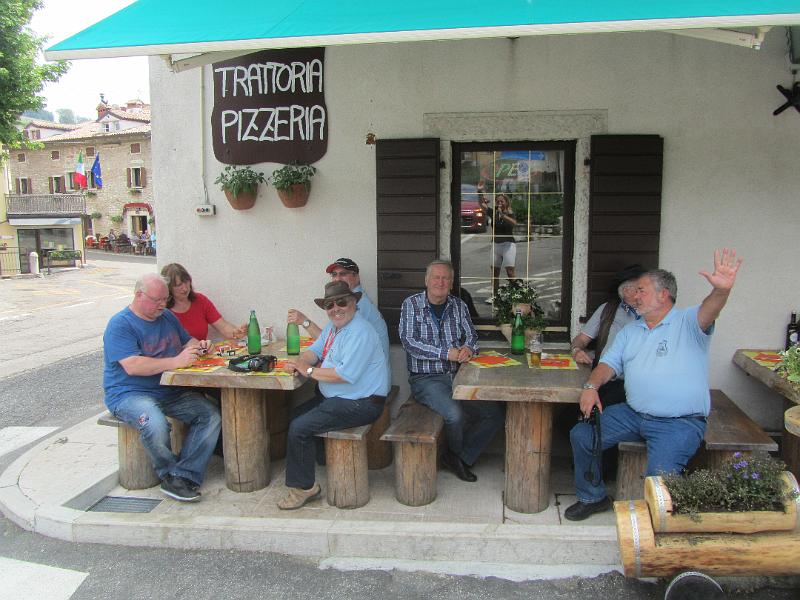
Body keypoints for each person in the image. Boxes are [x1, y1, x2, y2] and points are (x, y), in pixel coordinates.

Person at [565, 248, 743, 521]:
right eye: (635, 291)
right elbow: (607, 365)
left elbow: (711, 309)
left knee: (658, 484)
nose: (635, 296)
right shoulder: (630, 331)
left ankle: (659, 532)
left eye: (641, 290)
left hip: (679, 422)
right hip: (634, 414)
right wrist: (591, 388)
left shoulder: (688, 323)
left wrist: (722, 290)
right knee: (582, 435)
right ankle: (593, 497)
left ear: (663, 294)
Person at [102, 273, 221, 502]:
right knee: (155, 423)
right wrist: (175, 362)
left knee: (210, 415)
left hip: (168, 390)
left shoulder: (166, 316)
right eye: (157, 300)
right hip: (129, 393)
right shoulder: (120, 324)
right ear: (139, 295)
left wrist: (200, 346)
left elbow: (187, 341)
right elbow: (133, 366)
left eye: (165, 299)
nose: (162, 305)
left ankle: (183, 475)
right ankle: (169, 475)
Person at [279, 281, 390, 509]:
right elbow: (315, 350)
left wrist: (308, 371)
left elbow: (344, 375)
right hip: (340, 399)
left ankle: (304, 488)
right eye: (330, 305)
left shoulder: (360, 332)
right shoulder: (334, 328)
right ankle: (323, 461)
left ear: (353, 304)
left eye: (342, 302)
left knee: (299, 427)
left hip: (362, 403)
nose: (336, 309)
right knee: (294, 418)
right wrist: (301, 362)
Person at [399, 260, 505, 482]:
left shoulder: (459, 306)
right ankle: (457, 456)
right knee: (455, 415)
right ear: (426, 280)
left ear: (452, 282)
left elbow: (472, 336)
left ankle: (459, 457)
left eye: (446, 278)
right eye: (436, 277)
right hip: (426, 379)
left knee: (494, 414)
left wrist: (468, 348)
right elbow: (409, 342)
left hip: (459, 375)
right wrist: (446, 353)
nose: (441, 282)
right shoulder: (411, 304)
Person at [570, 264, 646, 408]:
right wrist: (576, 350)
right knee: (570, 411)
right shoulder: (608, 309)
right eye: (640, 289)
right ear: (626, 290)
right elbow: (581, 339)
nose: (643, 294)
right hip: (606, 380)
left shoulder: (651, 314)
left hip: (637, 383)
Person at [287, 257, 390, 360]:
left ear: (356, 277)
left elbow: (329, 345)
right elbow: (326, 340)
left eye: (343, 274)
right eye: (334, 274)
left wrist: (304, 322)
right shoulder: (355, 299)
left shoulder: (356, 304)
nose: (337, 279)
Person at [161, 263, 246, 341]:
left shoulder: (200, 300)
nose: (185, 288)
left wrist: (236, 332)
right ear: (168, 288)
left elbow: (223, 326)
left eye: (186, 282)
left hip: (202, 351)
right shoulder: (163, 310)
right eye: (178, 285)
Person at [479, 194, 518, 303]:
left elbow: (514, 223)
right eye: (497, 201)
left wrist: (503, 215)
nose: (499, 203)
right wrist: (480, 192)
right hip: (496, 245)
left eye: (502, 201)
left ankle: (515, 295)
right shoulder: (494, 213)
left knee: (510, 272)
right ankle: (495, 296)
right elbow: (482, 205)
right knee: (495, 273)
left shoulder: (510, 213)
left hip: (508, 245)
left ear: (506, 202)